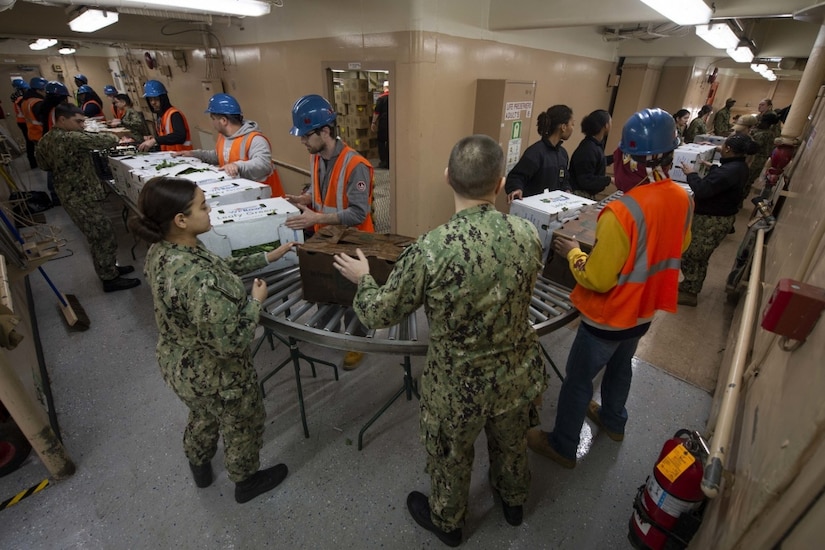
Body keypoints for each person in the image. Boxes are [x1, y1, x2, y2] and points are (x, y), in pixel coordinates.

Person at [333, 134, 547, 547]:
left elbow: (379, 313)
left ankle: (448, 523)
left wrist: (363, 281)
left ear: (447, 177)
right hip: (516, 375)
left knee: (450, 456)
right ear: (500, 183)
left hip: (457, 386)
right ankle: (514, 502)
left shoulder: (431, 250)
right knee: (512, 443)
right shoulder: (527, 234)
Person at [526, 108, 692, 469]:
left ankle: (564, 444)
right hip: (644, 311)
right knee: (621, 367)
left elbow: (598, 278)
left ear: (629, 161)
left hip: (609, 316)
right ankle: (614, 421)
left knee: (577, 381)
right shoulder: (683, 198)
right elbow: (680, 244)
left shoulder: (622, 212)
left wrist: (572, 254)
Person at [128, 176, 294, 503]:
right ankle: (246, 481)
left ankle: (199, 465)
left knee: (203, 415)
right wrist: (256, 301)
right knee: (242, 422)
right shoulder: (197, 279)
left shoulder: (166, 249)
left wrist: (267, 257)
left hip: (179, 364)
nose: (210, 210)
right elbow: (232, 342)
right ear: (181, 219)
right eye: (203, 206)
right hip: (217, 374)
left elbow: (221, 266)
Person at [286, 93, 375, 369]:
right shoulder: (317, 157)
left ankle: (358, 341)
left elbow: (359, 213)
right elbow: (322, 189)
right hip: (327, 238)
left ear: (324, 131)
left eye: (305, 135)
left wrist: (317, 217)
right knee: (325, 285)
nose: (302, 141)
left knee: (351, 294)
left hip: (353, 241)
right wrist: (306, 199)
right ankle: (329, 330)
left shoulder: (355, 165)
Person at [34, 104, 140, 292]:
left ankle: (108, 268)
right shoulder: (70, 138)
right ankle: (109, 278)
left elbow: (43, 165)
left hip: (69, 193)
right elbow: (107, 140)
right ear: (62, 120)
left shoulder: (45, 140)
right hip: (80, 195)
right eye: (78, 121)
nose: (82, 125)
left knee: (97, 232)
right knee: (101, 233)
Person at [677, 134, 758, 307]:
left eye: (724, 146)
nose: (721, 148)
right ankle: (690, 285)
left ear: (728, 149)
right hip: (719, 217)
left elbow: (703, 189)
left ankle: (689, 292)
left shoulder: (728, 171)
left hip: (711, 221)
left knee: (693, 254)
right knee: (700, 256)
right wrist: (712, 166)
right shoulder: (739, 166)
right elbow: (723, 181)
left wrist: (691, 174)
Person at [174, 93, 284, 197]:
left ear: (223, 120)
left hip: (267, 198)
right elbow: (219, 157)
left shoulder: (255, 139)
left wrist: (237, 166)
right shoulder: (223, 137)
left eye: (213, 119)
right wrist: (194, 154)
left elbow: (263, 164)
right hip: (243, 195)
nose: (212, 123)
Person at [504, 104, 575, 201]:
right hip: (532, 210)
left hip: (553, 208)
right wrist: (516, 189)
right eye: (572, 124)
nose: (572, 128)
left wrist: (567, 190)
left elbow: (564, 180)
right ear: (563, 127)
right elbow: (516, 177)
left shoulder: (562, 154)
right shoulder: (535, 153)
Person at [569, 109, 614, 200]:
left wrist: (616, 157)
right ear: (606, 125)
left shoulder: (594, 145)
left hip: (585, 195)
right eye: (610, 122)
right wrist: (609, 180)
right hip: (579, 196)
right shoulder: (588, 149)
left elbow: (597, 162)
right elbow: (586, 180)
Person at [138, 80, 192, 152]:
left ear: (163, 99)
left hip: (182, 156)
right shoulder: (160, 116)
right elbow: (166, 136)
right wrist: (153, 139)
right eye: (150, 99)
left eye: (156, 99)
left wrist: (155, 140)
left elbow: (180, 136)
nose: (153, 102)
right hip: (169, 156)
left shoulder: (174, 114)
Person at [11, 78, 37, 169]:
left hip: (22, 121)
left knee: (30, 141)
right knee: (30, 141)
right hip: (24, 122)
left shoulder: (17, 98)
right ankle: (33, 162)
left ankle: (33, 161)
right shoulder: (21, 99)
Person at [371, 80, 390, 169]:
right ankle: (390, 160)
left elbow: (376, 112)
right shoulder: (395, 97)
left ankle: (384, 162)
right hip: (392, 124)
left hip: (383, 124)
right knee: (390, 142)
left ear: (384, 88)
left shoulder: (381, 98)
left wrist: (373, 123)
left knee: (381, 142)